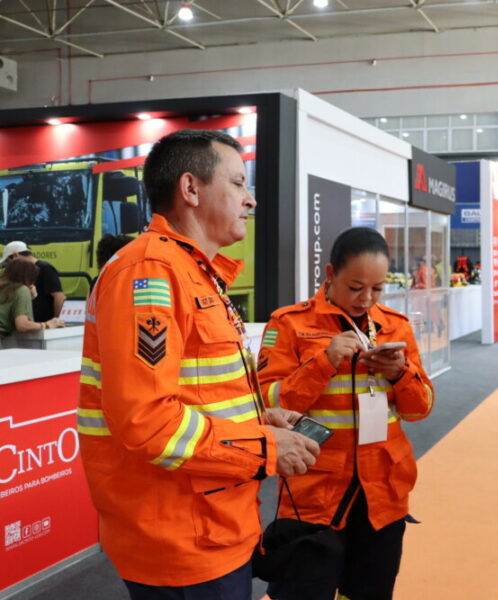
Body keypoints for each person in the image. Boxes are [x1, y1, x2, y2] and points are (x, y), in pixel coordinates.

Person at [77, 129, 320, 599]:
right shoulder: (149, 273)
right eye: (238, 184)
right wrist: (265, 446)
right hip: (181, 537)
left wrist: (257, 418)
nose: (250, 201)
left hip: (211, 524)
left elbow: (194, 394)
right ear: (191, 189)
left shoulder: (190, 272)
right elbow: (147, 421)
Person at [258, 226, 434, 600]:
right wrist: (324, 362)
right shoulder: (290, 324)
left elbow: (421, 408)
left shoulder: (395, 327)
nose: (365, 299)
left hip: (382, 495)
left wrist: (399, 374)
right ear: (329, 274)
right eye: (355, 287)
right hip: (313, 496)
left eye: (377, 288)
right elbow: (267, 402)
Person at [1, 240, 66, 321]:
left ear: (15, 255)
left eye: (8, 261)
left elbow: (59, 296)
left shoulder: (45, 268)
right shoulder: (22, 271)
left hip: (44, 324)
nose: (9, 265)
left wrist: (56, 320)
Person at [0, 259, 64, 339]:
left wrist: (29, 298)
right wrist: (47, 324)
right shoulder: (21, 289)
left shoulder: (5, 287)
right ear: (28, 278)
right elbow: (22, 325)